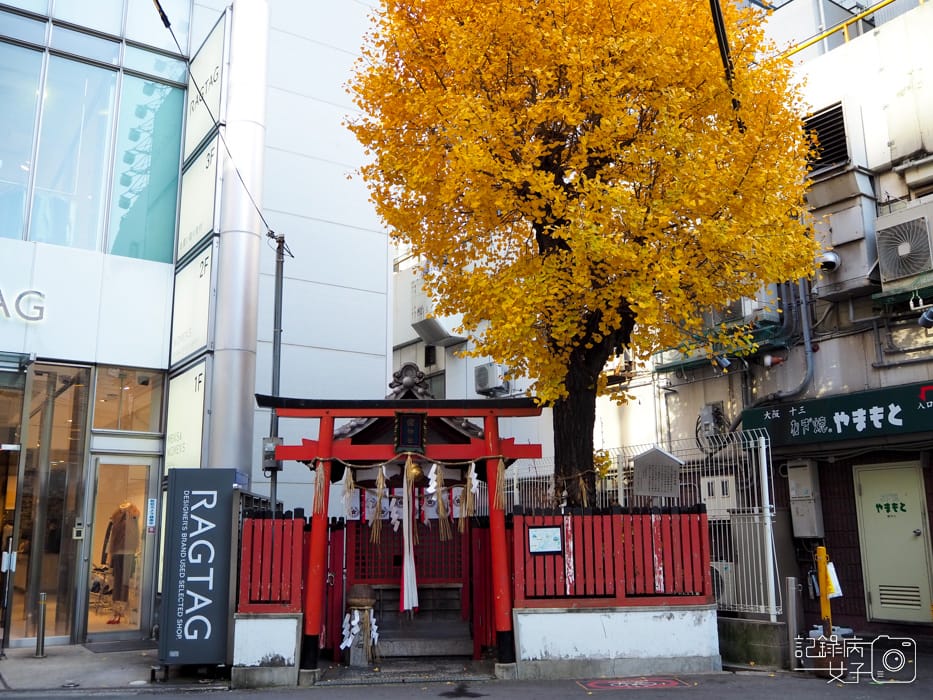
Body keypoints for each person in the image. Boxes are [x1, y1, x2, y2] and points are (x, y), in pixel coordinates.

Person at [101, 501, 140, 624]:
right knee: (117, 582)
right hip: (117, 552)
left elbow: (135, 535)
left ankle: (121, 611)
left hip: (128, 553)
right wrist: (107, 557)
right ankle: (116, 611)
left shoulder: (133, 515)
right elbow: (110, 538)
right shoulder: (116, 517)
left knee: (124, 582)